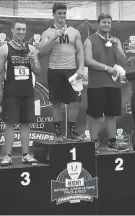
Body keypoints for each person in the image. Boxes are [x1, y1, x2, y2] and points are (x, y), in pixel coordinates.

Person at [0, 20, 41, 166]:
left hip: (27, 92)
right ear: (12, 30)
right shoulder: (4, 49)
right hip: (11, 93)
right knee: (10, 124)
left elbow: (38, 71)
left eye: (23, 29)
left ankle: (25, 155)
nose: (21, 32)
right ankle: (8, 156)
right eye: (18, 29)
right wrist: (0, 93)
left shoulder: (31, 49)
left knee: (25, 124)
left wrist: (34, 62)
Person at [39, 3, 85, 142]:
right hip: (55, 70)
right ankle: (58, 133)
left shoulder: (74, 32)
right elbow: (41, 51)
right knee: (56, 103)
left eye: (64, 13)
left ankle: (71, 132)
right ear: (53, 14)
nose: (62, 16)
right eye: (59, 13)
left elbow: (80, 51)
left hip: (71, 70)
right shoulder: (47, 32)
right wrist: (53, 38)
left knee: (74, 102)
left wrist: (81, 67)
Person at [84, 13, 129, 153]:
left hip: (113, 85)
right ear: (98, 23)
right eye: (104, 22)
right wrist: (107, 68)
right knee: (95, 115)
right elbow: (88, 61)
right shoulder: (89, 40)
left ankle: (112, 143)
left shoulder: (116, 41)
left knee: (111, 114)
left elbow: (123, 59)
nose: (106, 25)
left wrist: (116, 47)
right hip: (96, 84)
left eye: (109, 23)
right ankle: (93, 143)